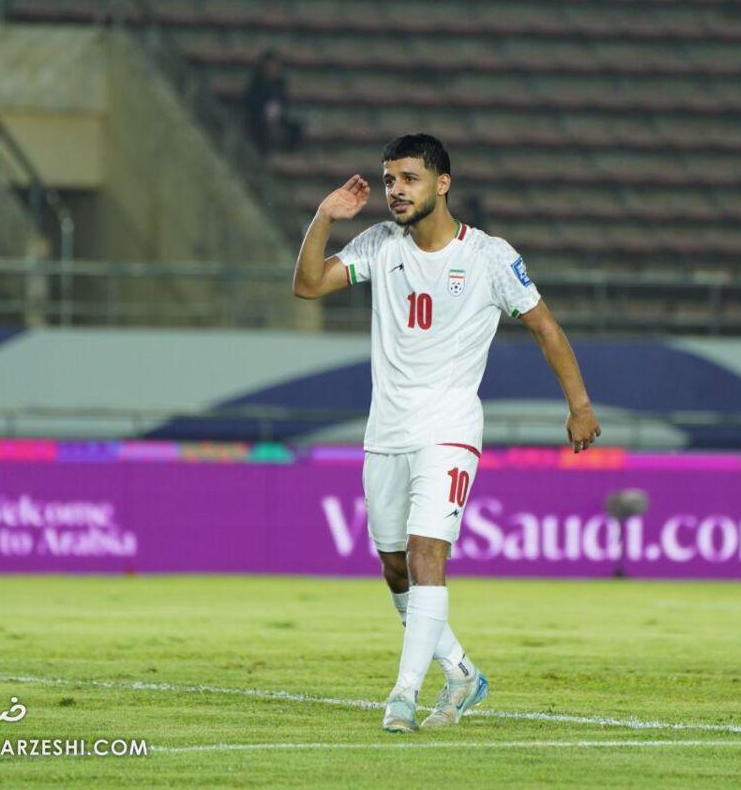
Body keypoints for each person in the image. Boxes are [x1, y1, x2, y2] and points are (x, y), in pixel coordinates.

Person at [292, 133, 600, 733]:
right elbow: (308, 286)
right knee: (394, 567)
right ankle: (461, 672)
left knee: (427, 552)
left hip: (450, 427)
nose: (395, 191)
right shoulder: (380, 245)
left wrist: (580, 405)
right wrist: (323, 217)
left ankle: (403, 695)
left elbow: (545, 326)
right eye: (388, 180)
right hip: (387, 429)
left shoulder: (488, 256)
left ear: (443, 183)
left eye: (408, 178)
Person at [242, 49, 302, 156]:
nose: (272, 68)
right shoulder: (256, 83)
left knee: (296, 127)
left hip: (278, 119)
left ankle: (289, 153)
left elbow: (284, 103)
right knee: (260, 132)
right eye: (269, 65)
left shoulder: (280, 83)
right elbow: (250, 104)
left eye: (275, 65)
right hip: (260, 120)